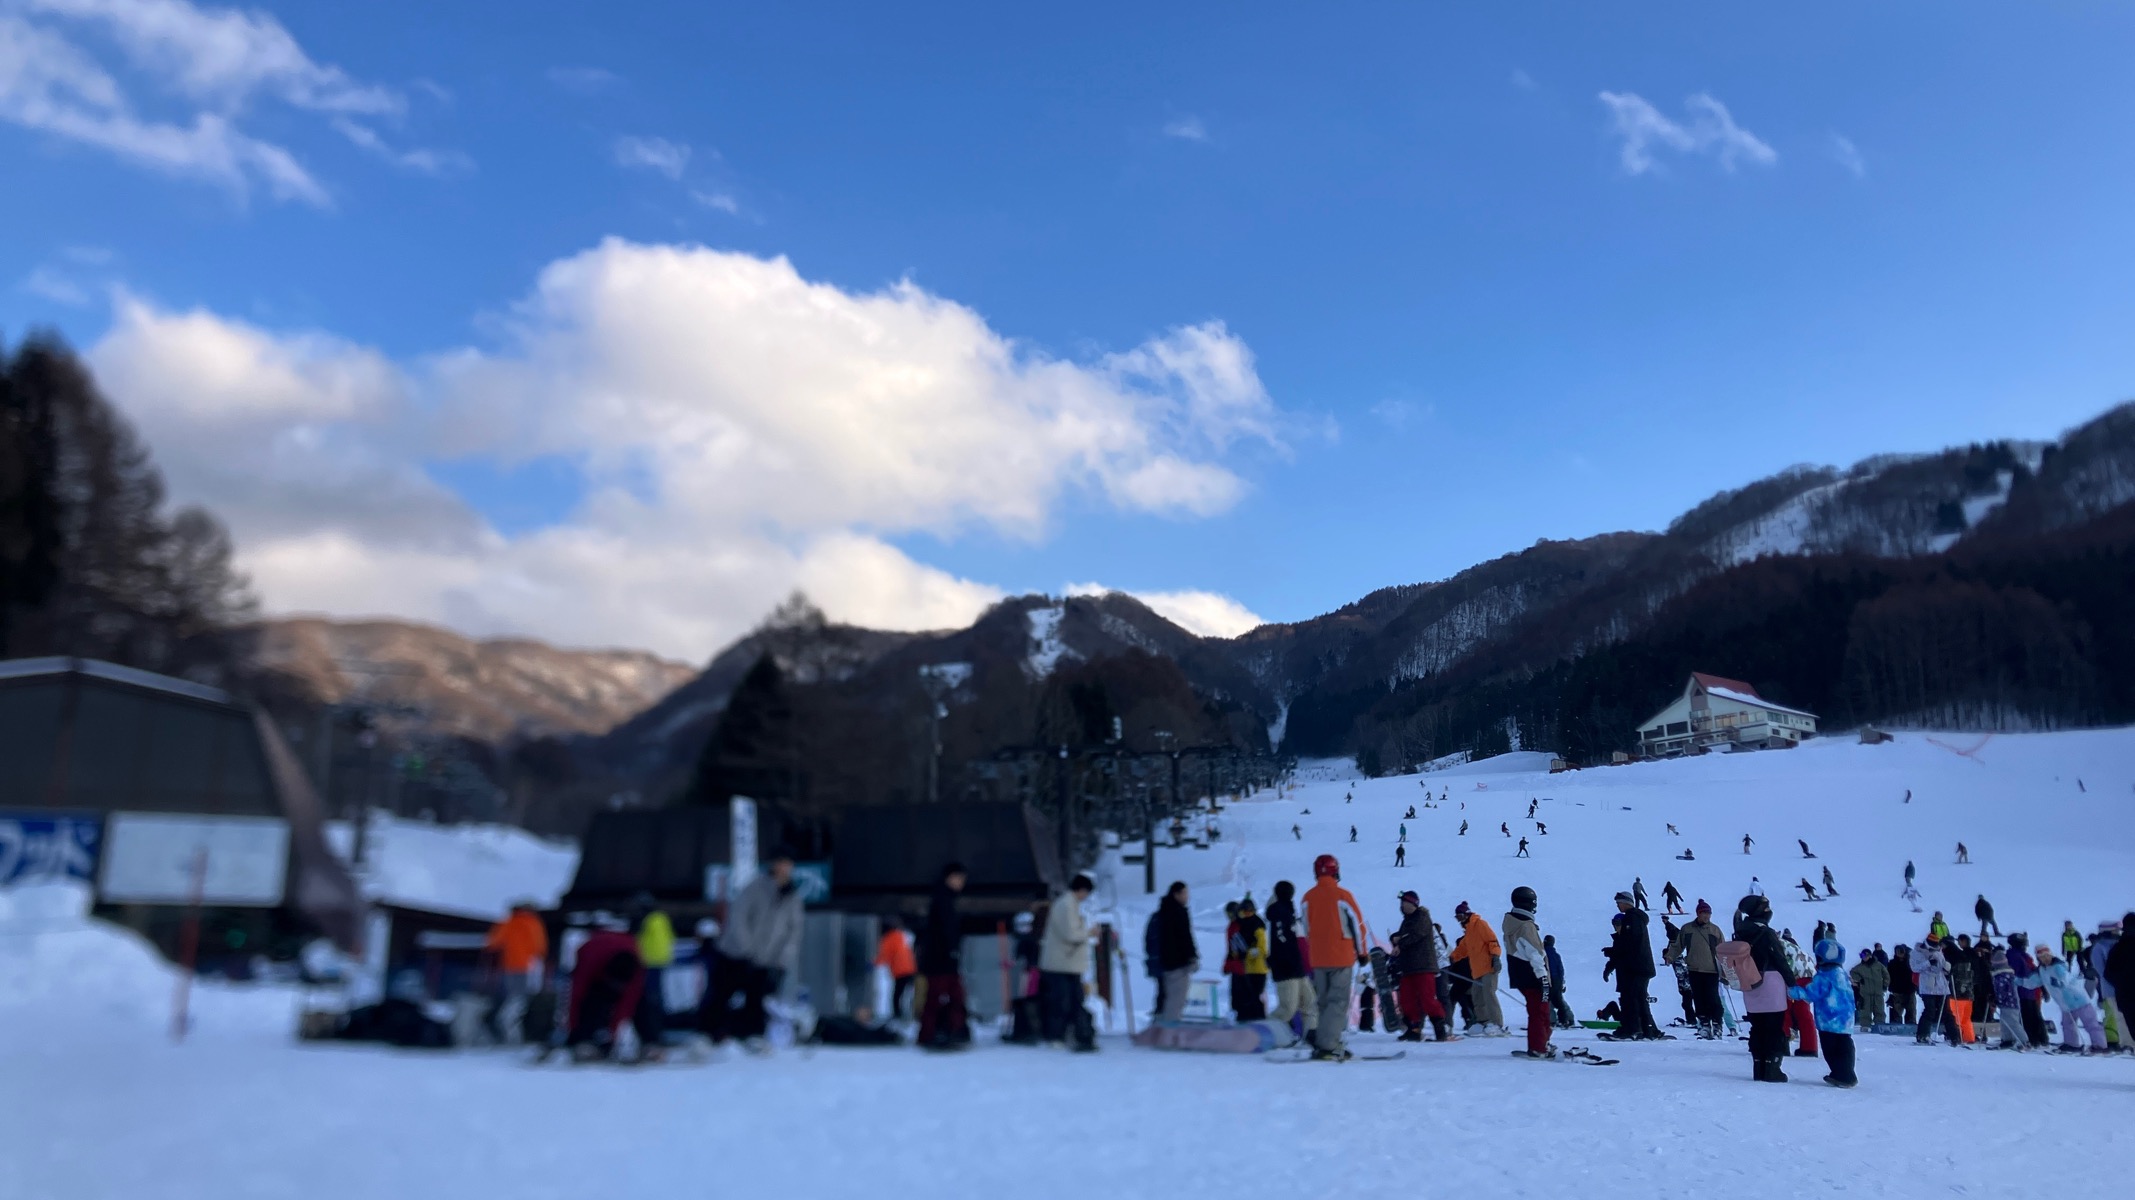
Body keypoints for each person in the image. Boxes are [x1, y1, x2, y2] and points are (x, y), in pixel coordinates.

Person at [707, 851, 807, 1049]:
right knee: (721, 994)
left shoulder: (793, 897)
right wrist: (746, 948)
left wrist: (783, 957)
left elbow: (794, 930)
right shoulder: (755, 888)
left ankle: (753, 1034)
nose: (784, 868)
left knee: (757, 998)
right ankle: (709, 1033)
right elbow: (738, 918)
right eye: (780, 863)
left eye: (788, 864)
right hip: (736, 953)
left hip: (765, 958)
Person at [1301, 854, 1370, 1060]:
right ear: (1335, 870)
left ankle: (1326, 1040)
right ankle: (1328, 1045)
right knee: (1337, 1001)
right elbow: (1357, 926)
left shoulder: (1307, 898)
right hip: (1340, 955)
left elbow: (1306, 928)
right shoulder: (1343, 896)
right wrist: (1362, 952)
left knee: (1322, 1001)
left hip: (1318, 958)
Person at [563, 924, 649, 1061]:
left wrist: (612, 1034)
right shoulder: (589, 960)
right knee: (592, 1001)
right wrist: (573, 1030)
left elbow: (627, 1004)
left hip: (619, 950)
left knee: (643, 1002)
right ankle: (585, 1040)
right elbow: (577, 995)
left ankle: (650, 1042)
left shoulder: (636, 971)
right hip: (595, 952)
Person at [1732, 893, 1793, 1083]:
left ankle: (1758, 1067)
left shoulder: (1740, 931)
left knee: (1757, 1027)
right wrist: (1792, 982)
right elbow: (1779, 959)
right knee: (1774, 1027)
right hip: (1771, 982)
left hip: (1749, 982)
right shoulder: (1766, 932)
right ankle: (1772, 1068)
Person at [1787, 937, 1858, 1087]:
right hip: (1846, 1019)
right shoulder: (1841, 974)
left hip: (1829, 1019)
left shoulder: (1824, 976)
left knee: (1831, 1049)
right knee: (1845, 1045)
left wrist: (1792, 991)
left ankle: (1841, 1075)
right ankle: (1847, 1073)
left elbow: (1811, 994)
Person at [1039, 874, 1098, 1051]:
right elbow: (1071, 934)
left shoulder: (1068, 904)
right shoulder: (1067, 905)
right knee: (1062, 1001)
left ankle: (1071, 1033)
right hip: (1061, 964)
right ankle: (1056, 1035)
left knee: (1073, 1000)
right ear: (1081, 890)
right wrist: (1090, 933)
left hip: (1067, 963)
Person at [918, 862, 972, 1050]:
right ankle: (937, 1032)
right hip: (941, 959)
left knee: (944, 996)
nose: (961, 883)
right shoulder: (943, 900)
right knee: (943, 996)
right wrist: (951, 950)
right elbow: (945, 930)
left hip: (941, 958)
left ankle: (941, 1031)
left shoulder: (943, 898)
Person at [482, 901, 548, 1045]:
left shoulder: (508, 923)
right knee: (520, 1004)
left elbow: (492, 943)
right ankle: (515, 1039)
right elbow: (541, 948)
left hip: (511, 968)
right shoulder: (535, 924)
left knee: (512, 1006)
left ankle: (511, 1040)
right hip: (531, 969)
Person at [1503, 886, 1556, 1059]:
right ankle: (1539, 1047)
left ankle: (1541, 1043)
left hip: (1520, 974)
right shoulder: (1526, 926)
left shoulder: (1512, 923)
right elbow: (1536, 954)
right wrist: (1543, 978)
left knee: (1538, 1010)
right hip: (1533, 976)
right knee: (1540, 1012)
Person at [1386, 891, 1445, 1042]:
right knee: (1407, 1000)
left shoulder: (1423, 918)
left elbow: (1415, 935)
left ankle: (1440, 1029)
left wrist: (1400, 941)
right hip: (1408, 967)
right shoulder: (1407, 920)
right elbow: (1401, 935)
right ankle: (1413, 1029)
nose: (1402, 906)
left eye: (1405, 902)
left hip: (1424, 966)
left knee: (1427, 999)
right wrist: (1395, 938)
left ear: (1413, 903)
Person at [1602, 892, 1661, 1040]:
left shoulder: (1631, 918)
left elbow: (1629, 943)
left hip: (1636, 967)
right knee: (1639, 999)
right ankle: (1649, 1029)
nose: (1617, 905)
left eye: (1618, 902)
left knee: (1632, 998)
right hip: (1639, 967)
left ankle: (1632, 1029)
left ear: (1625, 902)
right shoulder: (1636, 918)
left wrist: (1613, 952)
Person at [1666, 899, 1728, 1039]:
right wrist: (1670, 956)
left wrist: (1725, 970)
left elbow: (1723, 951)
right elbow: (1678, 945)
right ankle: (1704, 1025)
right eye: (1704, 913)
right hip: (1694, 969)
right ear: (1698, 913)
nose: (1707, 916)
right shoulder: (1687, 929)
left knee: (1713, 998)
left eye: (1709, 914)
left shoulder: (1715, 930)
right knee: (1699, 998)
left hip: (1712, 970)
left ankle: (1717, 1024)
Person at [1264, 880, 1316, 1045]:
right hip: (1286, 968)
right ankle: (1263, 1031)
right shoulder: (1279, 912)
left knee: (1309, 1001)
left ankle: (1311, 1035)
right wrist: (1285, 963)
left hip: (1296, 966)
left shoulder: (1288, 910)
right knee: (1288, 1008)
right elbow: (1281, 942)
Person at [2037, 947, 2108, 1054]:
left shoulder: (2058, 966)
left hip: (2078, 999)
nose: (2045, 959)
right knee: (2067, 1024)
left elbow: (2066, 978)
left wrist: (2060, 980)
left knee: (2090, 1023)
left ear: (2051, 955)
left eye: (2047, 956)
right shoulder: (2043, 970)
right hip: (2065, 1003)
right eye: (2042, 957)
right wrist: (2020, 982)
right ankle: (2071, 1044)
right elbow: (2035, 980)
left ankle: (2100, 1045)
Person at [1450, 900, 1505, 1035]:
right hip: (1477, 970)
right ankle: (1483, 1022)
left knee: (1489, 994)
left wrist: (1495, 957)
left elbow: (1492, 940)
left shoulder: (1480, 924)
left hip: (1488, 967)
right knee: (1477, 996)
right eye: (1457, 917)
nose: (1459, 920)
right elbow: (1463, 949)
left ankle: (1497, 1023)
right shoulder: (1468, 931)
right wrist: (1451, 958)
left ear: (1466, 914)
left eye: (1460, 916)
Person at [632, 894, 674, 1050]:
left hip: (648, 961)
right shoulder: (662, 918)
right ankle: (658, 1028)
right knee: (657, 996)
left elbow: (638, 938)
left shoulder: (646, 920)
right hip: (662, 960)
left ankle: (653, 1029)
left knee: (650, 997)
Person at [1153, 881, 1198, 1023]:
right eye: (1184, 893)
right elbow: (1184, 937)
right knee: (1176, 999)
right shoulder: (1177, 912)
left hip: (1167, 961)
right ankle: (1170, 1030)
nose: (1187, 897)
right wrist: (1191, 957)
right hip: (1177, 963)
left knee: (1170, 997)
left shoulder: (1164, 911)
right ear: (1176, 894)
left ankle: (1165, 1026)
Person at [1913, 935, 1958, 1045]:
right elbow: (1914, 967)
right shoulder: (1917, 953)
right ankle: (1922, 1035)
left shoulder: (1939, 952)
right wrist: (1928, 963)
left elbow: (1942, 966)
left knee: (1947, 1012)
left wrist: (1947, 969)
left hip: (1942, 986)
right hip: (1928, 987)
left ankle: (1954, 1036)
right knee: (1930, 1010)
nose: (1935, 947)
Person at [1230, 894, 1270, 1021]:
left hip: (1258, 969)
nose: (1246, 914)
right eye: (1244, 912)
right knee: (1246, 998)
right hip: (1245, 969)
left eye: (1249, 912)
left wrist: (1246, 954)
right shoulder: (1240, 927)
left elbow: (1262, 948)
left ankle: (1259, 1022)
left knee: (1254, 998)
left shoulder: (1257, 925)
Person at [2007, 933, 2048, 1047]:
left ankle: (2036, 1038)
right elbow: (2025, 972)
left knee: (2031, 1015)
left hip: (2027, 990)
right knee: (2031, 1015)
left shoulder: (2019, 955)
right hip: (2024, 991)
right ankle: (2037, 1038)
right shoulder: (2017, 956)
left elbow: (2029, 972)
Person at [875, 915, 918, 1020]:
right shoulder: (899, 936)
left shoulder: (888, 938)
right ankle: (910, 1013)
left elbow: (884, 956)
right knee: (908, 993)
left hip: (900, 971)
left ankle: (898, 1015)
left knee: (897, 995)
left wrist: (873, 964)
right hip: (910, 969)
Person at [2091, 920, 2124, 1052]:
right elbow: (2100, 969)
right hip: (2109, 989)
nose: (2119, 932)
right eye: (2116, 930)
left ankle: (2123, 1040)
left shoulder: (2120, 945)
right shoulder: (2100, 947)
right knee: (2111, 1014)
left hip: (2122, 988)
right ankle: (2112, 1040)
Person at [1989, 939, 2025, 1049]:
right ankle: (2007, 1039)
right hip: (2006, 1003)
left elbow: (2002, 991)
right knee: (2004, 1022)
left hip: (2010, 1002)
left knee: (2013, 1022)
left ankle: (2023, 1041)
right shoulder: (2005, 975)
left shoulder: (2002, 976)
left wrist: (1996, 999)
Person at [1946, 935, 1977, 1044]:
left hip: (1956, 994)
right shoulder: (1966, 958)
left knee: (1956, 1017)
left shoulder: (1951, 959)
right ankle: (1969, 1037)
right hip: (1969, 993)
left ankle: (1957, 1036)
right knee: (1966, 1018)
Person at [1851, 949, 1888, 1029]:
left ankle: (1879, 1024)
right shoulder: (1860, 967)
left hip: (1878, 992)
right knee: (1865, 1010)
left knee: (1879, 1009)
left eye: (1864, 956)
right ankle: (1865, 1025)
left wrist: (1885, 984)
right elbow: (1852, 972)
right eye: (1861, 956)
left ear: (1869, 955)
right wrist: (1859, 979)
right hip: (1865, 992)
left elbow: (1886, 975)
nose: (1863, 958)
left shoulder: (1878, 965)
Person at [1544, 934, 1575, 1029]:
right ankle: (1568, 1018)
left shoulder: (1542, 953)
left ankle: (1551, 1020)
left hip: (1547, 979)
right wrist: (1561, 982)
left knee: (1547, 1000)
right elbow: (1560, 969)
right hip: (1557, 980)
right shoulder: (1556, 955)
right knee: (1559, 1000)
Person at [1887, 943, 1917, 1027]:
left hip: (1910, 990)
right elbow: (1887, 976)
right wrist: (1890, 987)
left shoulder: (1911, 963)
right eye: (1897, 951)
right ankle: (1895, 1025)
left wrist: (1915, 987)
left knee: (1911, 1011)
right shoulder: (1892, 964)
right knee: (1896, 1012)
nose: (1899, 953)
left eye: (1901, 951)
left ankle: (1911, 1025)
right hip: (1896, 991)